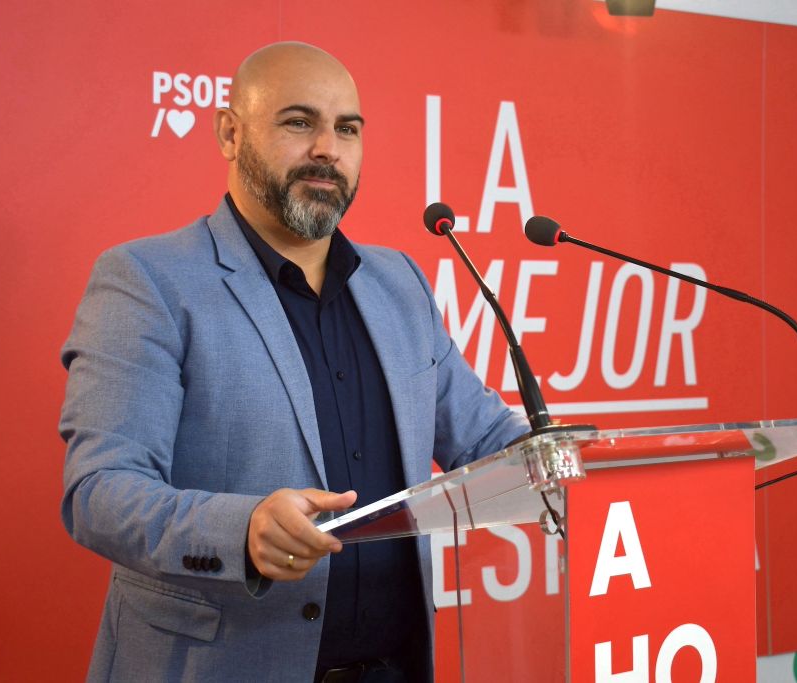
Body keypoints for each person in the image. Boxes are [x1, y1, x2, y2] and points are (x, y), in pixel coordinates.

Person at [59, 41, 528, 682]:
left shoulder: (399, 283)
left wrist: (573, 459)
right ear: (230, 133)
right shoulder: (148, 280)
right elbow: (100, 492)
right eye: (299, 122)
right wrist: (242, 529)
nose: (328, 148)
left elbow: (486, 437)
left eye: (347, 129)